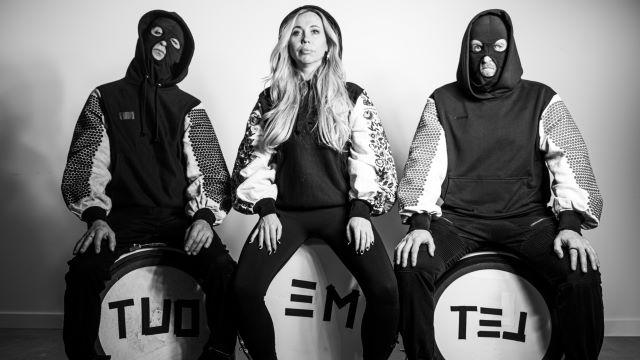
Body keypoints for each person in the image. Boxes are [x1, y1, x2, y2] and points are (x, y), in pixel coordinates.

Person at [394, 9, 604, 360]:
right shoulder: (442, 101)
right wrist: (419, 224)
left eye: (497, 47)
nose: (487, 58)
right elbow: (424, 162)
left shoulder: (542, 99)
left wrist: (570, 225)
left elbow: (569, 160)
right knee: (411, 265)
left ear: (511, 51)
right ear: (466, 52)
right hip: (458, 220)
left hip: (527, 219)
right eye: (477, 48)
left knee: (579, 269)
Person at [61, 10, 236, 360]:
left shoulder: (190, 108)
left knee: (223, 269)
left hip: (179, 218)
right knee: (83, 272)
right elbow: (85, 163)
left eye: (174, 42)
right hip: (119, 218)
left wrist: (204, 216)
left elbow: (212, 172)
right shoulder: (105, 98)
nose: (163, 46)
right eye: (156, 35)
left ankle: (219, 350)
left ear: (182, 55)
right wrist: (96, 216)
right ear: (142, 39)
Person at [231, 5, 399, 360]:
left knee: (385, 290)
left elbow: (366, 156)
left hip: (341, 213)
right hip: (286, 215)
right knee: (244, 288)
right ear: (286, 43)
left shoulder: (351, 95)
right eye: (296, 31)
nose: (305, 38)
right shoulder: (272, 99)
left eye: (314, 31)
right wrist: (266, 210)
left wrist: (361, 210)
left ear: (328, 44)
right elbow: (256, 160)